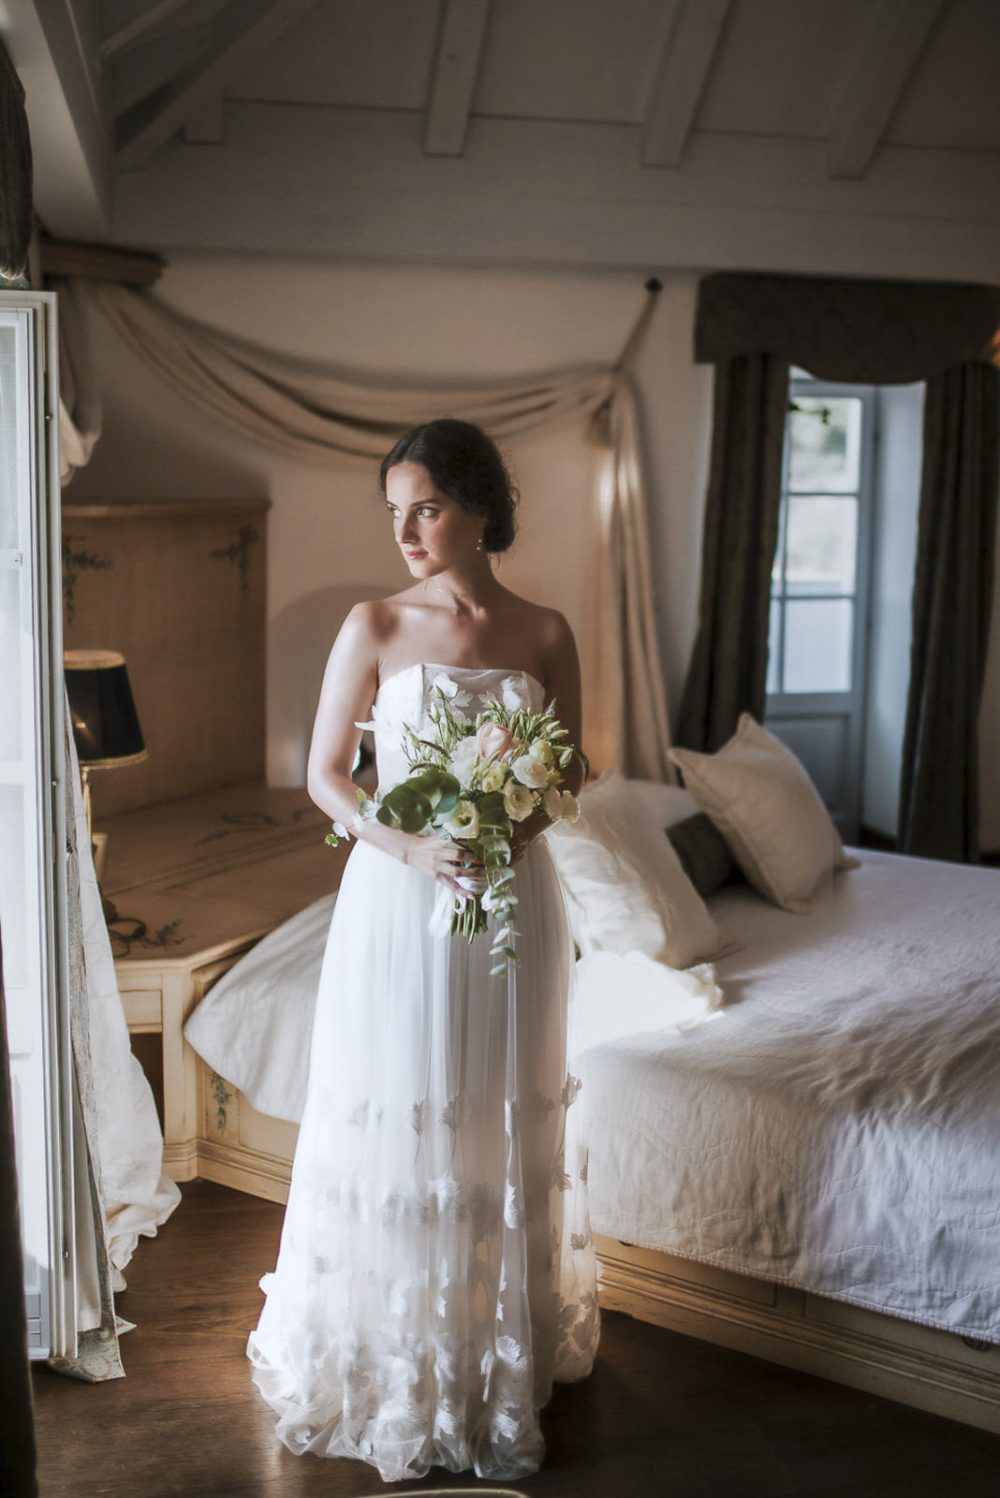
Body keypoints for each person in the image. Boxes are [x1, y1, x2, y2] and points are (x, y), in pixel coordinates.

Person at [245, 416, 601, 1482]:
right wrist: (412, 844)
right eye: (394, 512)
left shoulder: (544, 632)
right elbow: (324, 775)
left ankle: (489, 1349)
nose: (406, 531)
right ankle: (401, 1355)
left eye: (427, 508)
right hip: (399, 900)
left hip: (508, 900)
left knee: (495, 1100)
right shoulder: (373, 623)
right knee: (406, 1099)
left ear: (480, 508)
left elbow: (571, 775)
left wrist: (506, 827)